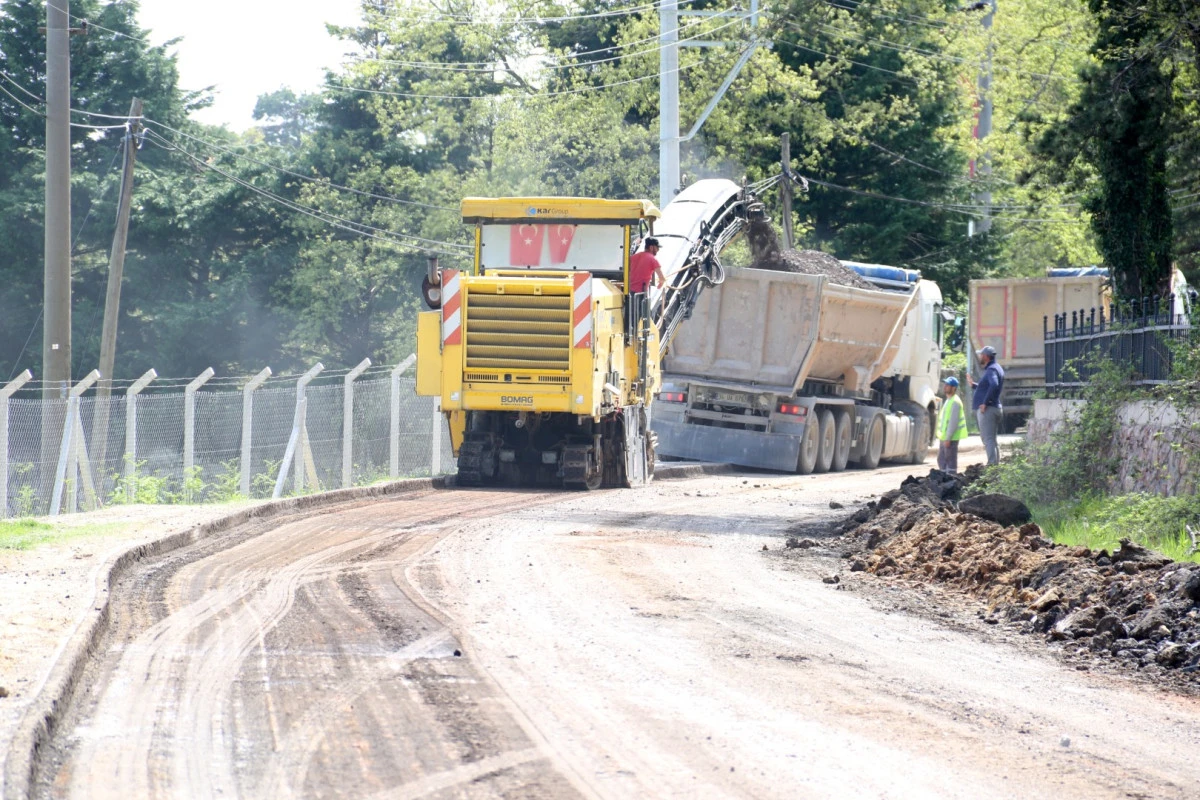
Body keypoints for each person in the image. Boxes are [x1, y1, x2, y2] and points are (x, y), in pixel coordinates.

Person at [971, 344, 1005, 465]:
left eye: (981, 354)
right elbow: (987, 387)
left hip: (988, 410)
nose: (980, 356)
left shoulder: (991, 370)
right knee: (992, 440)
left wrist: (985, 403)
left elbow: (994, 384)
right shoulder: (997, 368)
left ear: (986, 356)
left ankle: (992, 465)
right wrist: (974, 385)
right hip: (994, 407)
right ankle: (995, 466)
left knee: (988, 439)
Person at [936, 376, 968, 473]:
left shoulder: (955, 402)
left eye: (948, 385)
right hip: (945, 437)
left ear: (954, 388)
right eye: (945, 384)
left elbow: (953, 422)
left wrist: (948, 438)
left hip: (951, 438)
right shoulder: (949, 400)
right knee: (941, 460)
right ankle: (944, 479)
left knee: (950, 463)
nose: (945, 386)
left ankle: (951, 478)